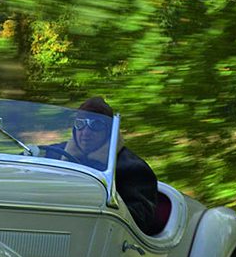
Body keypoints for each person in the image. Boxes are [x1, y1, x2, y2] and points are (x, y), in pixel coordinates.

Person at [43, 97, 160, 235]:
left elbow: (141, 220)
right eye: (80, 124)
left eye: (96, 124)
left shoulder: (133, 168)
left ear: (109, 131)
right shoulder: (52, 154)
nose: (86, 132)